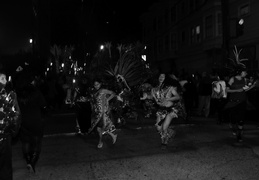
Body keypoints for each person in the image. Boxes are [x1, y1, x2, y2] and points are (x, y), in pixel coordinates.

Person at [143, 73, 186, 149]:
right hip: (161, 110)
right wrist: (146, 96)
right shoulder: (154, 89)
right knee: (158, 128)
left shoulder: (170, 88)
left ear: (166, 79)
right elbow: (152, 97)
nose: (161, 77)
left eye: (163, 76)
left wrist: (168, 99)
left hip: (171, 109)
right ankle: (170, 132)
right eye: (160, 76)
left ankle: (164, 141)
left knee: (164, 127)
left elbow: (177, 97)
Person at [15, 73, 47, 173]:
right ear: (31, 81)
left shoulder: (18, 93)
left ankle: (28, 160)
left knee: (25, 142)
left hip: (23, 121)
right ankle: (32, 162)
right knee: (37, 142)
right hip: (35, 120)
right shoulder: (35, 92)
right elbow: (43, 104)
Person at [224, 68, 257, 143]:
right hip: (233, 102)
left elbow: (245, 90)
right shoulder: (232, 79)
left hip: (242, 101)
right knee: (233, 119)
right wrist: (237, 90)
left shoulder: (245, 80)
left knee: (241, 119)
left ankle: (239, 135)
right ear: (240, 72)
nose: (246, 73)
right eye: (245, 72)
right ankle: (233, 127)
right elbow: (227, 90)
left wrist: (252, 86)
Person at [0, 71, 21, 180]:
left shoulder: (10, 94)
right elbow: (16, 115)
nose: (5, 81)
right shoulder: (9, 95)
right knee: (5, 166)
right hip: (4, 135)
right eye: (2, 79)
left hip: (5, 134)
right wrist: (13, 131)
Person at [88, 78, 117, 149]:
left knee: (99, 129)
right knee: (98, 129)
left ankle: (101, 141)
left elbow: (113, 93)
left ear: (100, 84)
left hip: (103, 113)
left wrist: (107, 99)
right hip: (97, 113)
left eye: (97, 84)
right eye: (95, 85)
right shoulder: (94, 92)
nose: (96, 86)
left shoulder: (103, 90)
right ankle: (101, 140)